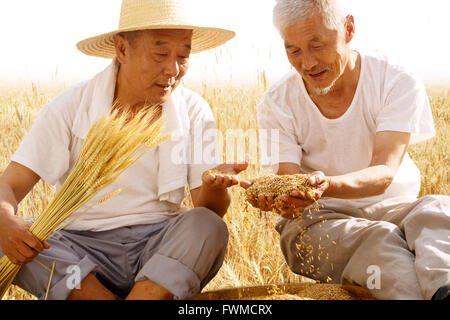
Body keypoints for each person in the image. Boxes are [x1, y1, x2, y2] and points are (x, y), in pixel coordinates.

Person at [0, 0, 247, 300]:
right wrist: (5, 221)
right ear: (122, 49)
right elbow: (9, 185)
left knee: (208, 226)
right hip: (80, 255)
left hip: (158, 249)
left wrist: (215, 187)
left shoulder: (194, 110)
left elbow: (208, 209)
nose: (173, 68)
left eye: (183, 55)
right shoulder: (69, 107)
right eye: (160, 54)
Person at [251, 0, 450, 300]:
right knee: (381, 241)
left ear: (348, 29)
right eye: (293, 50)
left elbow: (384, 172)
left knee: (439, 209)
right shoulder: (277, 103)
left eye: (317, 44)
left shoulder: (394, 80)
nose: (308, 63)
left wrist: (326, 184)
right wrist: (280, 198)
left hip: (396, 209)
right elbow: (291, 194)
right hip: (318, 223)